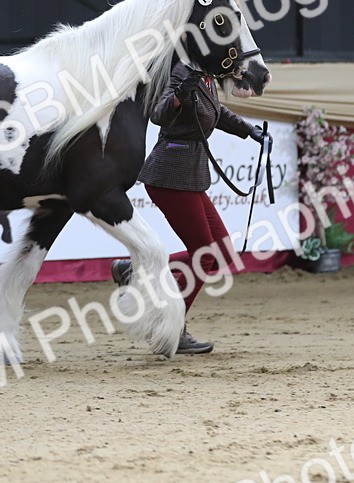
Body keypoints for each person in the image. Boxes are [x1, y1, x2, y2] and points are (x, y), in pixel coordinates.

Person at [112, 60, 266, 354]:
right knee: (205, 253)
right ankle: (170, 327)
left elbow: (216, 113)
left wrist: (249, 131)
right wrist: (178, 97)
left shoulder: (207, 76)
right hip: (170, 173)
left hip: (191, 175)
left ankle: (134, 270)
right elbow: (158, 115)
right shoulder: (181, 73)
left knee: (221, 252)